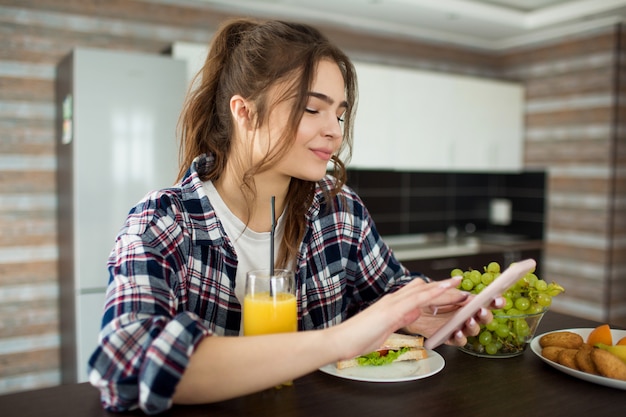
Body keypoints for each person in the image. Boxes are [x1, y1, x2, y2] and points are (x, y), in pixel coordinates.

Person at [87, 18, 503, 415]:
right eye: (312, 109)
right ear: (244, 112)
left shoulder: (339, 210)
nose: (336, 132)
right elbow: (129, 362)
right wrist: (338, 340)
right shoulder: (163, 221)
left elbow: (389, 288)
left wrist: (425, 311)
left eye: (339, 114)